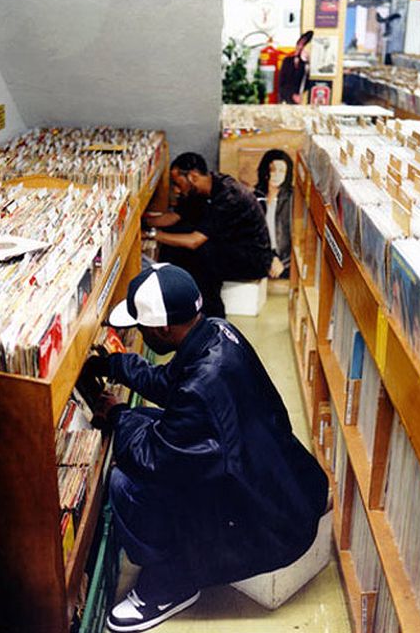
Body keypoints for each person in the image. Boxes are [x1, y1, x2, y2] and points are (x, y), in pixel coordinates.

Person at [85, 263, 329, 633]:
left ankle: (171, 584)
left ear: (163, 329)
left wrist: (118, 415)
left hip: (268, 524)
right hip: (281, 483)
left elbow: (154, 458)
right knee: (147, 427)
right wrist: (118, 366)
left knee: (127, 483)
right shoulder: (217, 331)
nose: (139, 332)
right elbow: (172, 383)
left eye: (141, 327)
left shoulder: (200, 386)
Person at [144, 152, 272, 318]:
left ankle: (213, 317)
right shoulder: (203, 188)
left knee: (200, 257)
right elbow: (174, 218)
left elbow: (194, 241)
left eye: (177, 183)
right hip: (229, 244)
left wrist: (151, 235)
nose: (176, 189)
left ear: (193, 176)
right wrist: (143, 221)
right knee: (177, 239)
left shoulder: (228, 196)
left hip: (253, 258)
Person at [254, 149, 293, 279]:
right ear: (265, 171)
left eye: (282, 171)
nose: (277, 175)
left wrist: (283, 263)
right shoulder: (255, 197)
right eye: (273, 170)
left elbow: (299, 239)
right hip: (261, 258)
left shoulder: (293, 199)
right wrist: (270, 258)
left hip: (286, 263)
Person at [278, 30, 314, 104]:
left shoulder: (304, 65)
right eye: (299, 44)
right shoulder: (287, 61)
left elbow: (307, 84)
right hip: (285, 98)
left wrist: (308, 64)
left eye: (303, 45)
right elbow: (281, 83)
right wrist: (291, 95)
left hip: (297, 100)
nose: (300, 47)